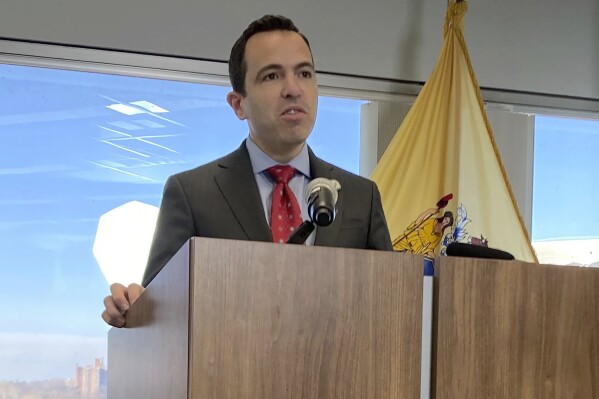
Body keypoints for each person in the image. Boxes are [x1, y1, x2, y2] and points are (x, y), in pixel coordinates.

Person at [102, 15, 392, 328]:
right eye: (271, 76)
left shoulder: (362, 197)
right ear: (238, 104)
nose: (293, 89)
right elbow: (159, 314)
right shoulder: (192, 195)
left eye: (304, 73)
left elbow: (391, 306)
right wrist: (129, 308)